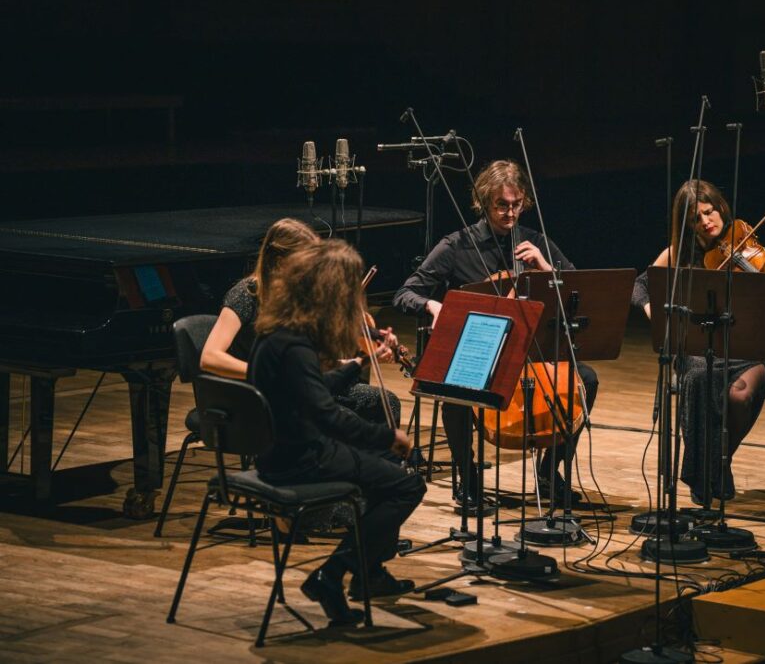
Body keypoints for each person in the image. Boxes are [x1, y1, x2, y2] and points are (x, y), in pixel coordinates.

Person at [393, 159, 598, 507]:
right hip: (480, 354)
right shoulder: (457, 246)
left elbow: (579, 292)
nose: (510, 213)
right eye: (501, 205)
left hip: (532, 355)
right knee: (455, 389)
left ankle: (550, 471)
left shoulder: (535, 241)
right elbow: (405, 293)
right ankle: (466, 474)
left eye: (516, 205)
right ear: (484, 202)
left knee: (585, 380)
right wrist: (434, 306)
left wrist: (546, 269)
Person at [249, 239, 425, 625]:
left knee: (385, 474)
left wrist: (360, 362)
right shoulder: (294, 345)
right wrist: (388, 437)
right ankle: (334, 573)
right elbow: (327, 415)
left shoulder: (278, 332)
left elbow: (312, 392)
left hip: (279, 450)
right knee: (407, 485)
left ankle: (367, 574)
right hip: (299, 459)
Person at [631, 179, 765, 503]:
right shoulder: (679, 252)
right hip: (699, 348)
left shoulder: (743, 244)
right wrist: (653, 310)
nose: (706, 222)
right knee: (696, 376)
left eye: (709, 212)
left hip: (747, 350)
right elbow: (640, 286)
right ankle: (713, 472)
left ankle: (718, 462)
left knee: (739, 397)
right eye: (696, 218)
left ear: (720, 208)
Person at [200, 217, 401, 424]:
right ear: (279, 261)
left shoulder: (297, 297)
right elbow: (210, 357)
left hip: (302, 387)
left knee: (385, 402)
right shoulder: (247, 294)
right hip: (263, 395)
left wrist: (361, 356)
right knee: (340, 419)